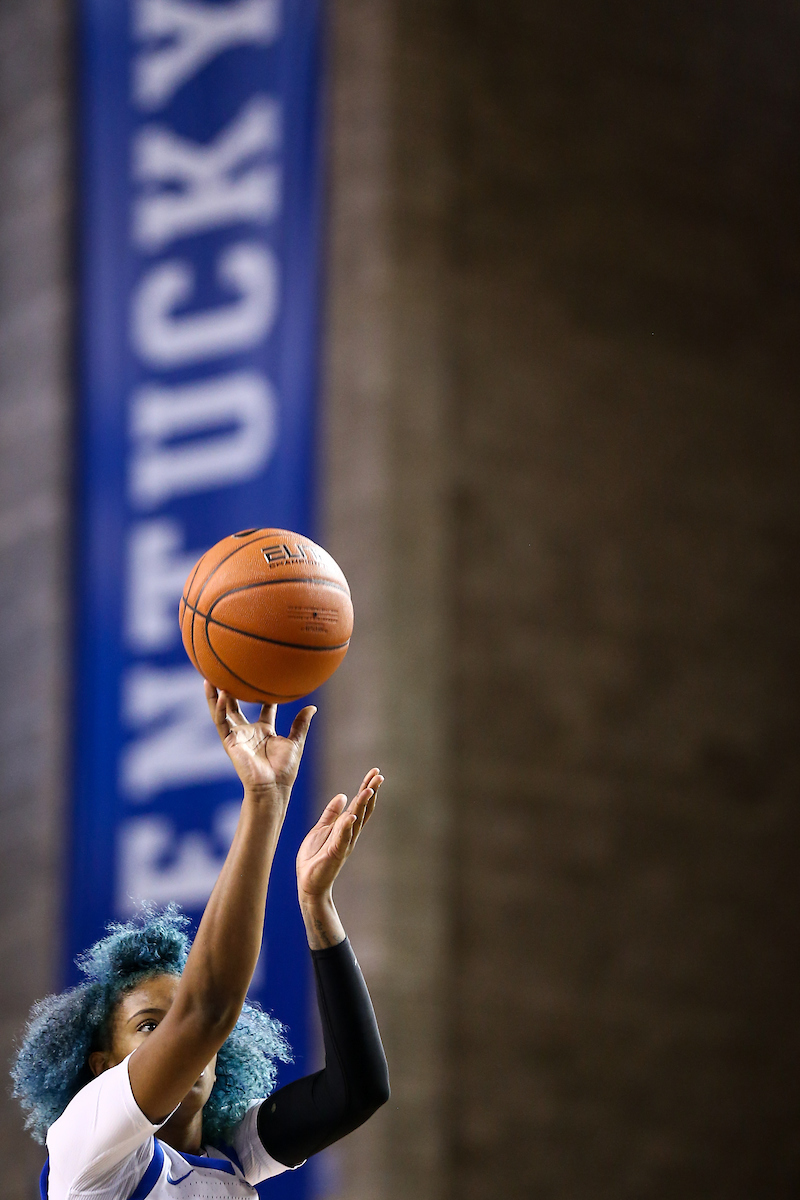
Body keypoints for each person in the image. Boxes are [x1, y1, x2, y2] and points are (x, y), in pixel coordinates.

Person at [11, 682, 389, 1199]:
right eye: (150, 1025)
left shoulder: (229, 1157)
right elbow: (206, 1012)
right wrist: (264, 799)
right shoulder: (86, 1148)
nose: (191, 1045)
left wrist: (316, 905)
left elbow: (357, 1091)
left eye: (199, 1039)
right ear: (103, 1067)